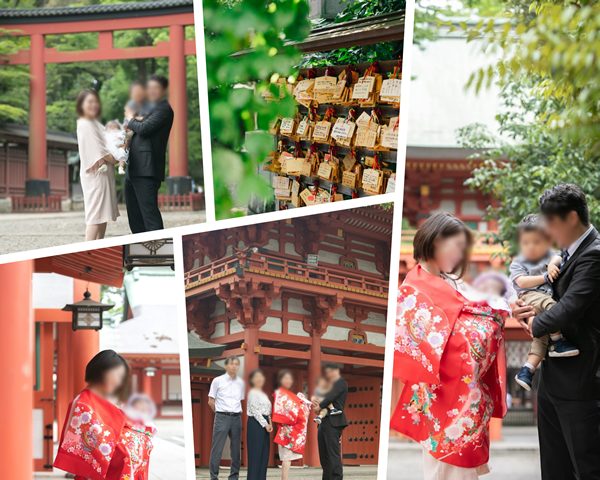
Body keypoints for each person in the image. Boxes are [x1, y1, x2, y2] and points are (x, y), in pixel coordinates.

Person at [390, 212, 513, 479]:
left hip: (466, 398)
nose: (460, 255)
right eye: (456, 246)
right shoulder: (414, 290)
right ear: (436, 241)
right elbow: (440, 342)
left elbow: (475, 316)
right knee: (446, 473)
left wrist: (503, 312)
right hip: (446, 401)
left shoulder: (448, 283)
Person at [519, 184, 600, 480]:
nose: (548, 231)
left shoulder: (594, 255)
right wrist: (524, 310)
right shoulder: (564, 255)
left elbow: (569, 308)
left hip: (581, 382)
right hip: (553, 381)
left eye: (551, 222)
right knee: (554, 468)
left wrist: (534, 325)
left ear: (571, 217)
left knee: (587, 468)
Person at [53, 350, 153, 479]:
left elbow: (125, 420)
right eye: (117, 375)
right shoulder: (84, 402)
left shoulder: (107, 397)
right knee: (129, 451)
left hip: (119, 456)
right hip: (107, 462)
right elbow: (97, 437)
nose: (120, 382)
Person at [510, 214, 579, 391]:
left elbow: (557, 258)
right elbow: (521, 282)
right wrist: (544, 277)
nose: (531, 246)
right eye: (527, 242)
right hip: (530, 296)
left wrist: (551, 265)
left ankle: (527, 370)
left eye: (537, 241)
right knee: (554, 308)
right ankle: (558, 340)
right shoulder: (518, 261)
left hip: (542, 299)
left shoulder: (548, 255)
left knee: (541, 337)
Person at [124, 74, 174, 234]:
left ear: (164, 90)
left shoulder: (164, 109)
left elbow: (144, 129)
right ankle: (142, 248)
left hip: (147, 169)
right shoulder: (146, 109)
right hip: (133, 168)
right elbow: (133, 129)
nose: (151, 91)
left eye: (156, 88)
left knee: (149, 215)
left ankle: (159, 249)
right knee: (134, 216)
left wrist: (131, 119)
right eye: (149, 88)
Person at [75, 89, 119, 241]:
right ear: (81, 104)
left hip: (103, 173)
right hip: (95, 173)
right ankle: (87, 251)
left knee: (103, 215)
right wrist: (116, 159)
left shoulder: (94, 122)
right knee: (95, 216)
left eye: (95, 101)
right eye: (89, 102)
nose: (93, 105)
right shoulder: (85, 123)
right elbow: (99, 150)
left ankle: (98, 246)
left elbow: (109, 140)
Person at [207, 356, 244, 480]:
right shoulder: (217, 380)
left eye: (236, 364)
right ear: (226, 366)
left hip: (236, 418)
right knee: (217, 448)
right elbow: (210, 401)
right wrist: (219, 413)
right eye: (231, 364)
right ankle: (214, 476)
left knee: (236, 449)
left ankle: (234, 476)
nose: (234, 366)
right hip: (222, 416)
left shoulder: (241, 383)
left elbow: (240, 401)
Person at [272, 369, 312, 480]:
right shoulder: (280, 393)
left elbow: (299, 408)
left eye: (290, 378)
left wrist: (302, 402)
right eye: (285, 378)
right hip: (286, 431)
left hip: (290, 430)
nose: (288, 380)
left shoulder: (290, 395)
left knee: (287, 458)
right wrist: (299, 405)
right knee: (286, 458)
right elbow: (286, 411)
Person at [313, 364, 348, 480]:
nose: (328, 374)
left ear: (336, 371)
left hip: (334, 422)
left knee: (333, 455)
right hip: (323, 422)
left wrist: (320, 405)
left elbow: (330, 397)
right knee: (324, 457)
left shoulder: (340, 383)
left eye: (330, 371)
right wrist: (316, 406)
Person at [246, 369, 273, 480]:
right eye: (256, 377)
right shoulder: (252, 393)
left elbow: (268, 411)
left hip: (265, 423)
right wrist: (265, 424)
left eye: (261, 377)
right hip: (256, 424)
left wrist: (270, 423)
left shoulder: (263, 394)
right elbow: (255, 411)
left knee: (264, 454)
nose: (259, 379)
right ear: (252, 380)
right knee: (256, 454)